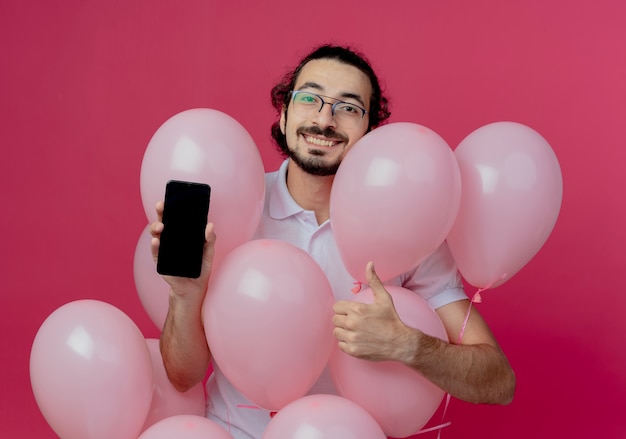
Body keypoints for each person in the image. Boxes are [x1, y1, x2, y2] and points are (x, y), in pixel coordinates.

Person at [150, 44, 516, 438]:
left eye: (348, 107)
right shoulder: (231, 214)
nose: (325, 119)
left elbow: (498, 382)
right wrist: (186, 297)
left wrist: (409, 346)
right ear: (285, 113)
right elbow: (184, 377)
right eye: (309, 98)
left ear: (370, 131)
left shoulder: (410, 227)